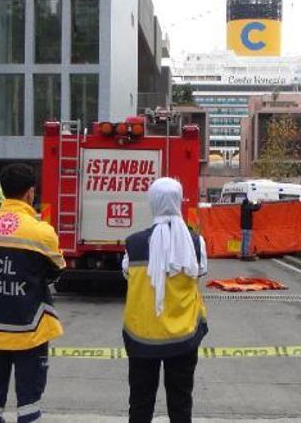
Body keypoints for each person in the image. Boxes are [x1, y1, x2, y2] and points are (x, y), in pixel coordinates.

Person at [0, 163, 65, 423]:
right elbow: (55, 272)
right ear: (31, 193)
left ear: (2, 190)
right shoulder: (42, 232)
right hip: (29, 330)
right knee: (29, 405)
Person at [122, 177, 209, 423]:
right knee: (181, 405)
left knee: (139, 404)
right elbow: (200, 273)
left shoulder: (134, 244)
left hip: (141, 337)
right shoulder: (195, 243)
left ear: (153, 202)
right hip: (183, 337)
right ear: (178, 202)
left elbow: (127, 275)